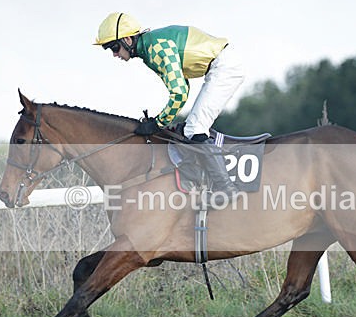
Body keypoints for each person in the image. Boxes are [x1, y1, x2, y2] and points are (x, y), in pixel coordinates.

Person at [94, 12, 244, 204]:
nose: (115, 54)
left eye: (114, 47)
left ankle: (226, 188)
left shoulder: (155, 48)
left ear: (128, 39)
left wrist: (158, 123)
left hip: (225, 66)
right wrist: (161, 120)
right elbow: (183, 86)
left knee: (195, 128)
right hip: (221, 64)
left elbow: (180, 92)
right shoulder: (150, 48)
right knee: (188, 128)